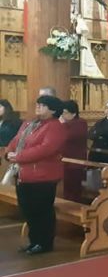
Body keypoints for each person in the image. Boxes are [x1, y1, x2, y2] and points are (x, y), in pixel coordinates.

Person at [6, 96, 67, 255]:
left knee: (42, 211)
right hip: (24, 174)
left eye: (43, 105)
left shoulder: (55, 127)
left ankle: (44, 243)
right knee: (28, 209)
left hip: (43, 176)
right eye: (38, 104)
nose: (38, 107)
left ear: (53, 110)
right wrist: (8, 152)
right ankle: (34, 241)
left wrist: (18, 157)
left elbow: (46, 149)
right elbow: (16, 140)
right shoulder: (29, 123)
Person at [59, 100, 88, 202]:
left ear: (74, 113)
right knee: (66, 188)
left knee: (74, 189)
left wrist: (62, 124)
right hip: (64, 161)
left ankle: (75, 208)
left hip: (75, 162)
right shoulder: (65, 123)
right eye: (62, 112)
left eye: (65, 112)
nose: (63, 115)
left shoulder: (80, 123)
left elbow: (66, 137)